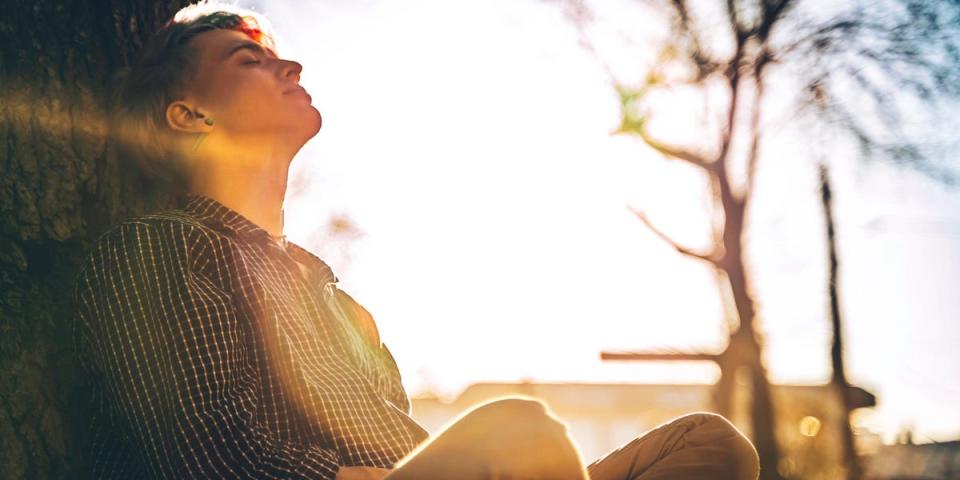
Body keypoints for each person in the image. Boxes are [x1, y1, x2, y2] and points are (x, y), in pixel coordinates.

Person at [71, 2, 761, 479]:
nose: (293, 68)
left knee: (711, 446)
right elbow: (210, 465)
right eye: (248, 61)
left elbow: (412, 446)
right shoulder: (156, 251)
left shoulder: (336, 302)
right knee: (522, 431)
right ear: (189, 114)